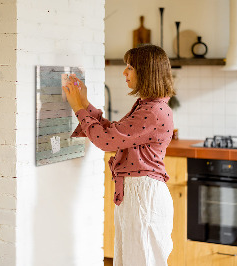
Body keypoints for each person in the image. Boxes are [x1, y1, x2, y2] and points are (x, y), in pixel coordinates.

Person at [63, 44, 175, 266]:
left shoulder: (152, 111)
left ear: (146, 72)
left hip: (143, 197)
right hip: (138, 195)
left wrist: (78, 108)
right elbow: (114, 133)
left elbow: (106, 141)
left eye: (130, 67)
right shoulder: (148, 106)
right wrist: (85, 104)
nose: (125, 73)